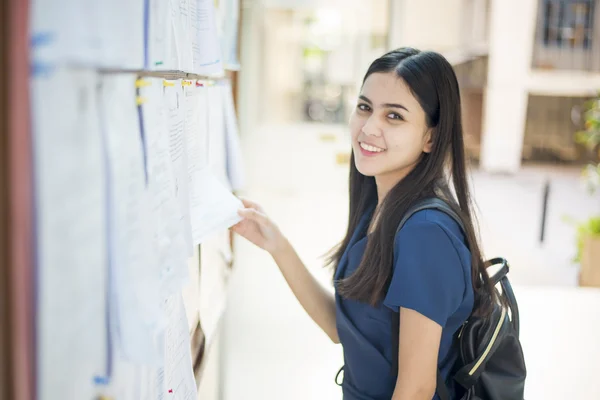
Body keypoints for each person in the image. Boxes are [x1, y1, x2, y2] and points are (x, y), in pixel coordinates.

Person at [231, 47, 496, 400]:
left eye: (395, 117)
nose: (369, 128)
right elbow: (340, 328)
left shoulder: (426, 234)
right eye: (365, 107)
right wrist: (275, 243)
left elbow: (416, 389)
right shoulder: (381, 210)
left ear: (431, 137)